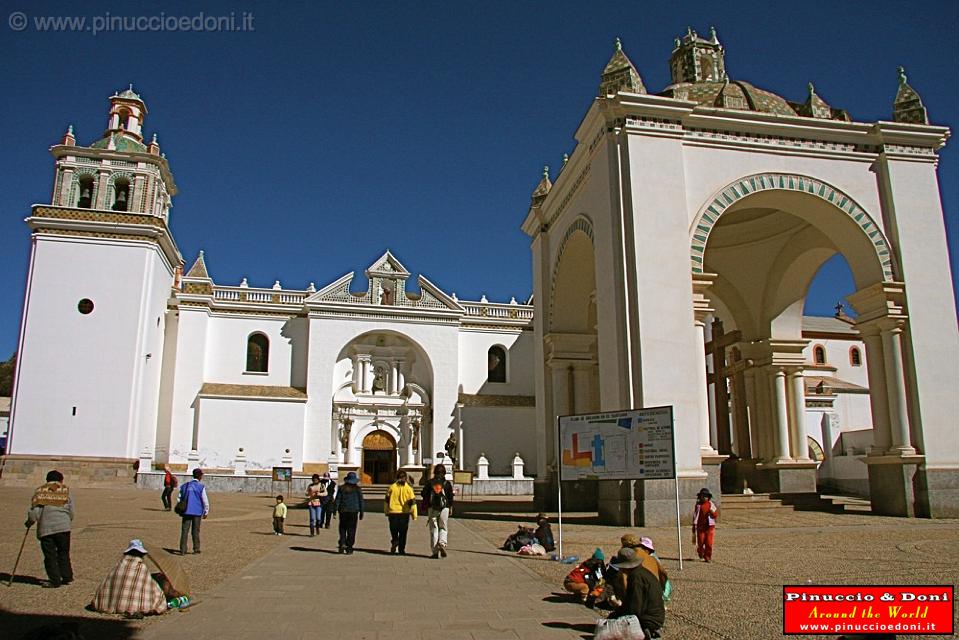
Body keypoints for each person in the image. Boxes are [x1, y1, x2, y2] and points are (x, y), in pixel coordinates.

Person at [25, 469, 74, 588]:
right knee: (63, 552)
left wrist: (29, 522)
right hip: (63, 527)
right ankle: (67, 576)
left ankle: (55, 580)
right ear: (61, 480)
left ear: (47, 480)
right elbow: (70, 510)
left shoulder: (41, 491)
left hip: (46, 529)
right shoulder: (65, 491)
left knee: (50, 555)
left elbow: (35, 512)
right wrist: (67, 521)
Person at [90, 539, 167, 615]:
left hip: (110, 605)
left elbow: (107, 585)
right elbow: (151, 587)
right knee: (158, 596)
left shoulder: (119, 566)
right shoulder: (141, 567)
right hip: (136, 607)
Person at [608, 546, 666, 638]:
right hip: (656, 615)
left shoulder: (636, 577)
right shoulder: (642, 572)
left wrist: (620, 617)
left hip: (650, 619)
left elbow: (635, 605)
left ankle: (644, 630)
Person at [420, 463, 454, 558]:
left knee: (434, 529)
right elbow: (450, 497)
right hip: (445, 508)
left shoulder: (430, 483)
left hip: (432, 508)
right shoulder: (447, 484)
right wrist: (450, 507)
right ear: (444, 473)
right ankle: (442, 543)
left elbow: (423, 494)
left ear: (434, 472)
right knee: (443, 527)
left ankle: (435, 552)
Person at [384, 470, 417, 555]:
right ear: (405, 478)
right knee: (403, 532)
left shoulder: (392, 487)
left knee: (393, 529)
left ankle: (395, 540)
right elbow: (413, 503)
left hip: (393, 512)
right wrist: (414, 515)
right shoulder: (409, 489)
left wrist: (386, 511)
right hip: (404, 513)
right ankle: (401, 549)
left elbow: (386, 501)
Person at [178, 468, 209, 555]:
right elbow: (205, 500)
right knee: (195, 530)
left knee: (184, 530)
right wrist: (206, 511)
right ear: (200, 476)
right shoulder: (200, 487)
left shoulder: (185, 486)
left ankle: (183, 549)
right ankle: (196, 548)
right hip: (197, 511)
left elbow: (179, 498)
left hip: (186, 511)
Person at [333, 471, 364, 554]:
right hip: (353, 511)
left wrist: (334, 510)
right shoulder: (357, 489)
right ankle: (349, 547)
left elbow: (337, 500)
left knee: (343, 528)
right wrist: (361, 512)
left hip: (343, 511)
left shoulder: (341, 488)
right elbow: (361, 501)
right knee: (352, 530)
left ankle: (342, 542)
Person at [693, 487, 718, 562]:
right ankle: (701, 552)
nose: (704, 498)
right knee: (700, 542)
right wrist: (694, 526)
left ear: (709, 497)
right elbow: (695, 516)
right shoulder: (698, 506)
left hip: (710, 527)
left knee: (709, 543)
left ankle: (708, 556)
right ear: (700, 497)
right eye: (702, 496)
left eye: (706, 496)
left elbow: (715, 515)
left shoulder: (711, 505)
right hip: (701, 527)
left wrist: (712, 513)